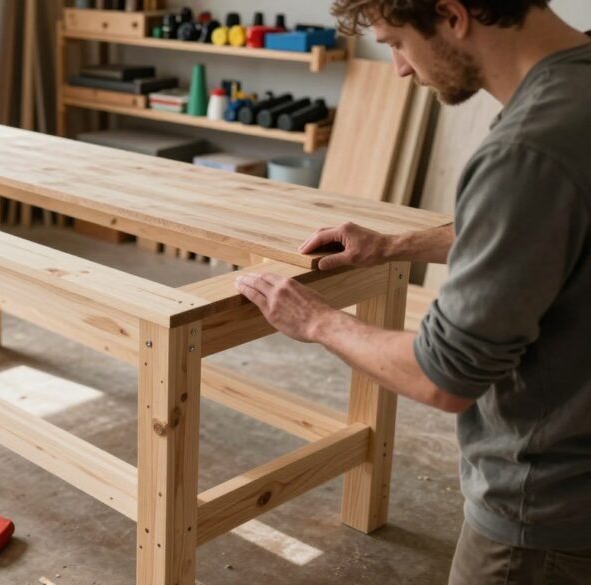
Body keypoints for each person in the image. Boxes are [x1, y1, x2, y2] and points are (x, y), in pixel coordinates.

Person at [232, 1, 591, 583]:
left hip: (546, 513)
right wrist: (392, 246)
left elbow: (444, 376)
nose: (398, 67)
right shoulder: (578, 85)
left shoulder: (526, 149)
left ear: (453, 16)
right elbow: (544, 229)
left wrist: (317, 321)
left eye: (396, 41)